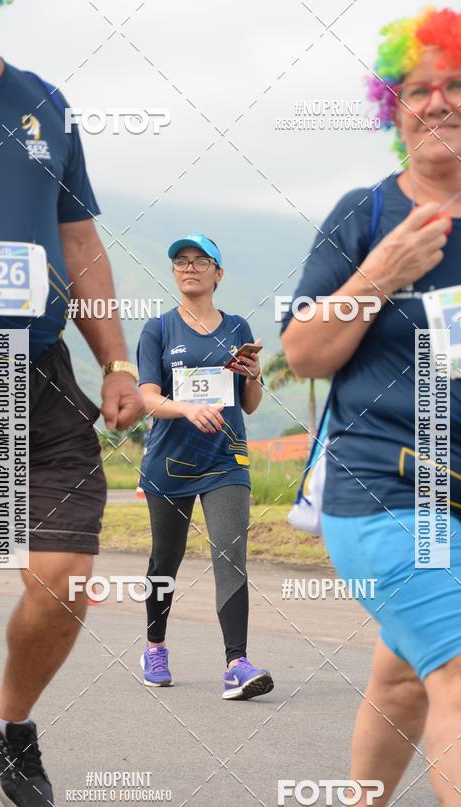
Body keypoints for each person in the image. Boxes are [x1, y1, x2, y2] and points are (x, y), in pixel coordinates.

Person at [281, 7, 461, 807]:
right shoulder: (367, 213)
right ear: (396, 109)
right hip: (383, 487)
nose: (436, 103)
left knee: (407, 673)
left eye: (457, 84)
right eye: (416, 89)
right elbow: (301, 356)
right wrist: (380, 273)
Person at [0, 0, 144, 807]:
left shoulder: (43, 102)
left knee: (62, 576)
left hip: (35, 382)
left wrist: (117, 361)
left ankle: (7, 718)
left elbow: (76, 233)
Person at [136, 233, 274, 700]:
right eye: (180, 261)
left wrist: (253, 377)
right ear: (174, 273)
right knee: (166, 560)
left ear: (218, 272)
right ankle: (155, 646)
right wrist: (186, 408)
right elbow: (149, 398)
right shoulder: (157, 329)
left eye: (200, 260)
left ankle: (236, 663)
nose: (189, 267)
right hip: (169, 464)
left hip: (226, 461)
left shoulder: (236, 327)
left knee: (229, 555)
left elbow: (250, 404)